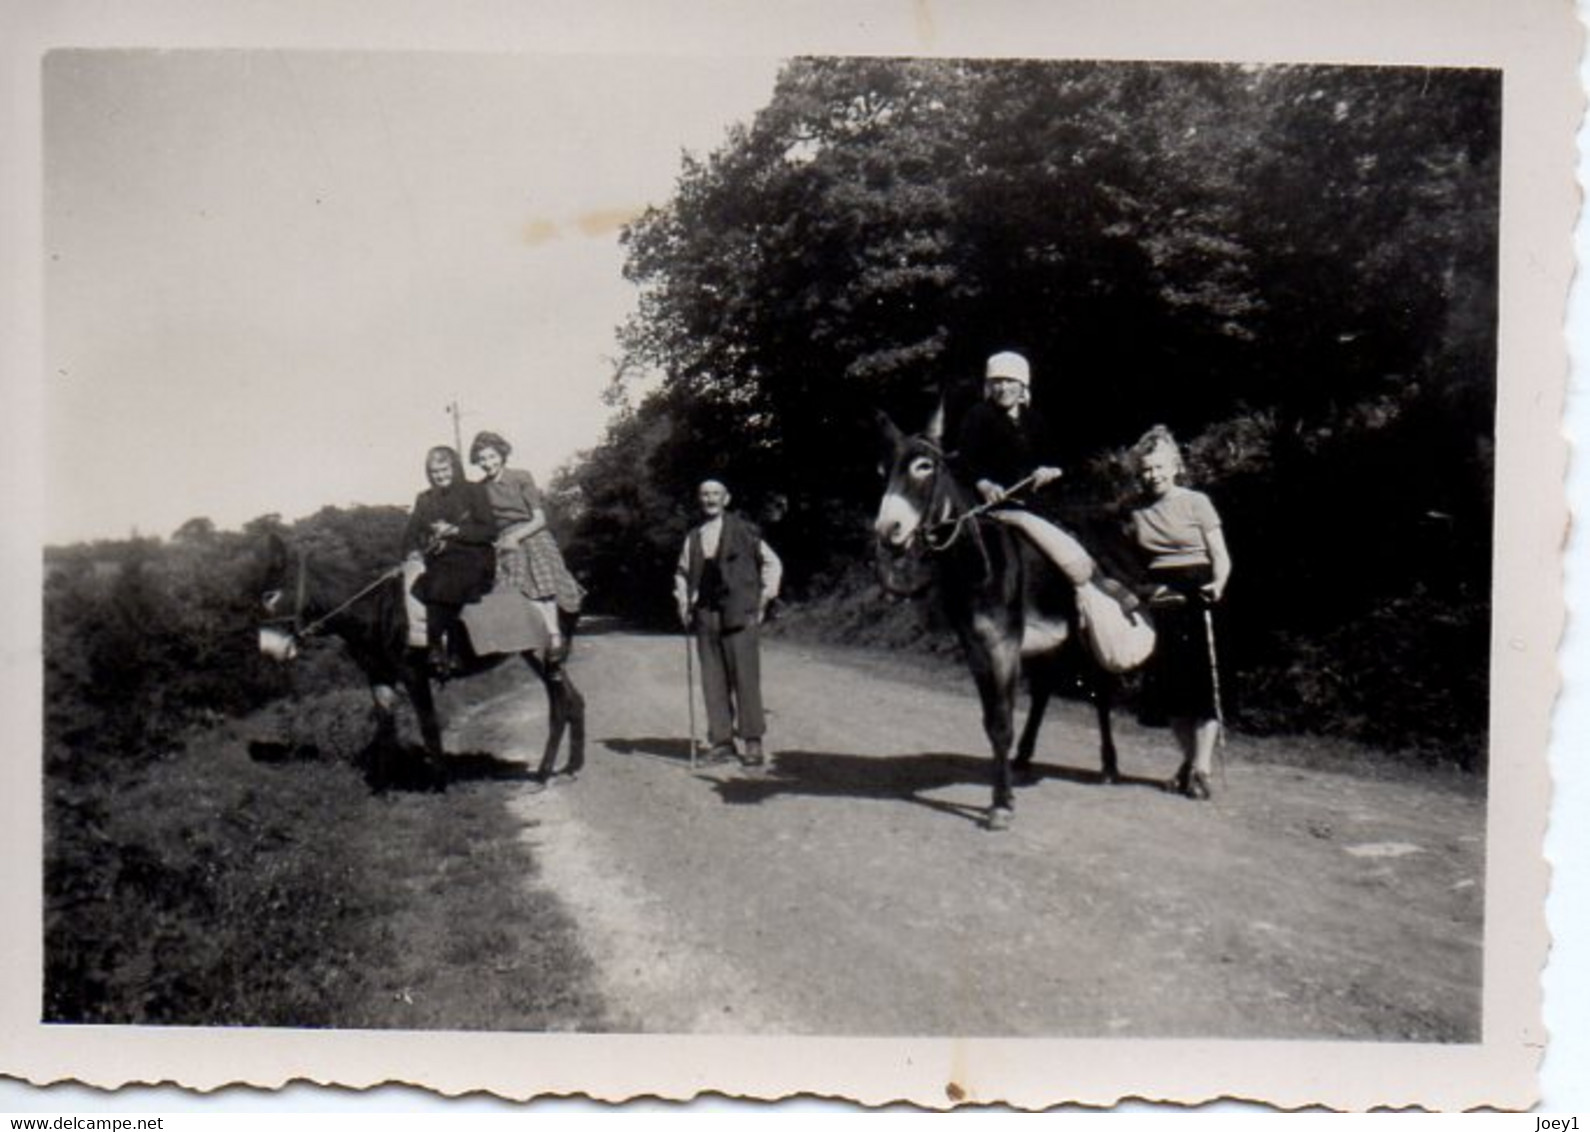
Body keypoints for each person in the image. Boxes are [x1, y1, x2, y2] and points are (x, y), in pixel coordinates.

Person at [1128, 424, 1233, 800]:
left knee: (1202, 687)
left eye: (1158, 467)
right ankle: (1190, 763)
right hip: (1160, 597)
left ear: (1175, 466)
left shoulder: (1196, 502)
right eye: (1145, 469)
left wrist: (1217, 585)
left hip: (1199, 595)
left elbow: (1220, 556)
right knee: (1170, 692)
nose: (1152, 475)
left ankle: (1201, 770)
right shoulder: (1136, 511)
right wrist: (1144, 590)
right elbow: (1129, 565)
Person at [954, 350, 1096, 588]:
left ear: (1022, 385)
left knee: (1086, 535)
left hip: (1041, 505)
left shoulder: (1035, 420)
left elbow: (1058, 460)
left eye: (1009, 381)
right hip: (997, 511)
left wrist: (1051, 471)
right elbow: (965, 462)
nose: (1003, 388)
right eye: (996, 382)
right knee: (1069, 560)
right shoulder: (977, 417)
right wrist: (984, 483)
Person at [673, 479, 782, 767]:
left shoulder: (745, 531)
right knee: (712, 681)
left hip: (739, 614)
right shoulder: (694, 537)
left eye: (715, 494)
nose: (710, 499)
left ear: (726, 498)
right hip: (706, 615)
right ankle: (722, 742)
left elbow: (772, 563)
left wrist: (763, 598)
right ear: (700, 499)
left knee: (745, 679)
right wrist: (684, 602)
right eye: (705, 494)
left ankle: (753, 743)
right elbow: (683, 574)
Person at [468, 430, 584, 662]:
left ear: (501, 454)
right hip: (503, 540)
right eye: (482, 459)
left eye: (491, 457)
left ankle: (555, 636)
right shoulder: (479, 489)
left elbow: (540, 519)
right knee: (512, 588)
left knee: (543, 580)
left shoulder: (521, 477)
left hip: (531, 532)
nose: (488, 463)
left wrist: (517, 537)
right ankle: (524, 640)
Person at [403, 446, 497, 678]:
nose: (440, 475)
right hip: (440, 561)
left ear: (454, 467)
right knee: (422, 584)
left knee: (443, 583)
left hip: (474, 558)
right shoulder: (424, 499)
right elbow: (410, 534)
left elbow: (489, 531)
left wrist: (455, 530)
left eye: (444, 469)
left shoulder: (474, 491)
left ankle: (443, 648)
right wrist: (413, 552)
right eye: (435, 471)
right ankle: (439, 648)